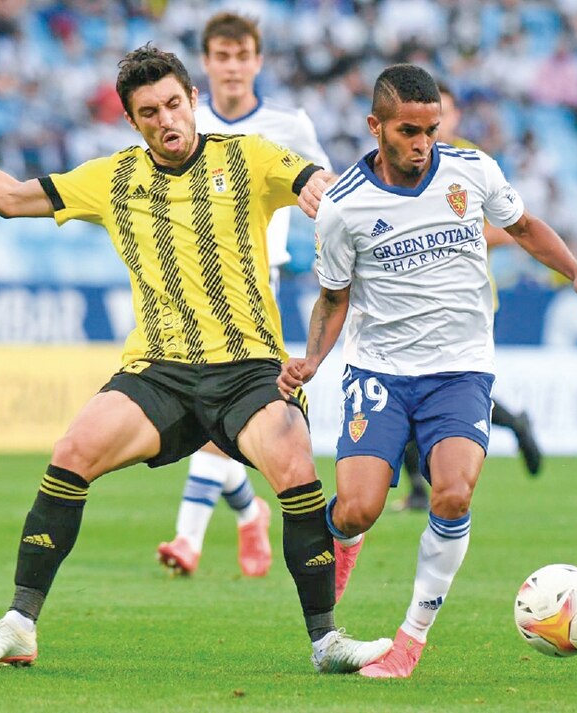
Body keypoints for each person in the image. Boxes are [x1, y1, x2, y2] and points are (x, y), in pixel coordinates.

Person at [0, 44, 392, 673]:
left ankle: (326, 641)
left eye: (174, 104)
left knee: (292, 461)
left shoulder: (249, 157)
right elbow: (13, 199)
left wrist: (320, 186)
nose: (165, 119)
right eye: (149, 112)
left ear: (194, 101)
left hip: (249, 369)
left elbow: (310, 178)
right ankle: (18, 624)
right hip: (158, 371)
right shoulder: (112, 178)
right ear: (133, 120)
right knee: (72, 452)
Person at [277, 64, 577, 678]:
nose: (422, 143)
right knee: (356, 510)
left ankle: (410, 641)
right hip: (379, 371)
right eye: (408, 130)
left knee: (453, 492)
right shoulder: (343, 206)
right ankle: (344, 542)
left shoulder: (471, 171)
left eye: (430, 129)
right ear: (376, 126)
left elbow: (525, 226)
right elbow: (334, 295)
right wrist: (312, 361)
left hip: (460, 370)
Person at [156, 12, 333, 578]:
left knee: (215, 403)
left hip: (258, 284)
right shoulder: (184, 118)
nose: (233, 68)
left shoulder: (289, 124)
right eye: (222, 57)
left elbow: (327, 196)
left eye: (242, 57)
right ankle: (249, 511)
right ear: (205, 65)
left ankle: (187, 538)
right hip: (183, 289)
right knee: (208, 416)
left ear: (258, 61)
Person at [391, 82, 542, 513]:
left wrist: (454, 236)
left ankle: (508, 424)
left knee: (446, 388)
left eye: (449, 113)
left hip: (467, 300)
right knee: (408, 383)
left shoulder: (472, 163)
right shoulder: (401, 161)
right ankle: (422, 488)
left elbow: (512, 228)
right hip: (408, 296)